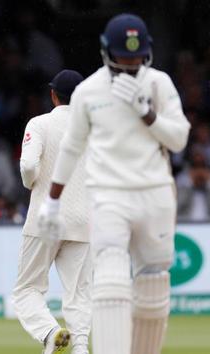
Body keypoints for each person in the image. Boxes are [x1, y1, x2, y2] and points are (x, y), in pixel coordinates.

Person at [38, 14, 191, 354]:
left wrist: (147, 112)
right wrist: (52, 201)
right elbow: (71, 148)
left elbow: (179, 138)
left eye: (137, 58)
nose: (131, 65)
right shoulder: (90, 91)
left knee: (153, 287)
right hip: (108, 195)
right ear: (107, 53)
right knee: (109, 281)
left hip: (155, 193)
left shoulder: (158, 84)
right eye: (124, 57)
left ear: (147, 53)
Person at [12, 70, 90, 354]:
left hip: (47, 216)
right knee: (79, 293)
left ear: (53, 94)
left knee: (26, 290)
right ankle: (80, 346)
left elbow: (29, 166)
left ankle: (51, 333)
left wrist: (31, 184)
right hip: (83, 220)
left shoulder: (40, 123)